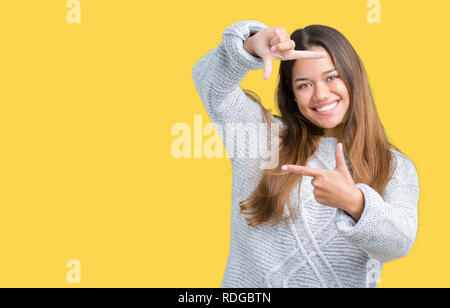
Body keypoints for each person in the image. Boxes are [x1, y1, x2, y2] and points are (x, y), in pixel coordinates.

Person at [191, 19, 419, 288]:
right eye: (304, 84)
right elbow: (211, 84)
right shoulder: (260, 138)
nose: (320, 94)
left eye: (331, 77)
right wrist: (250, 47)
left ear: (353, 77)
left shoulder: (394, 166)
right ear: (292, 94)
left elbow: (399, 244)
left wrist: (354, 202)